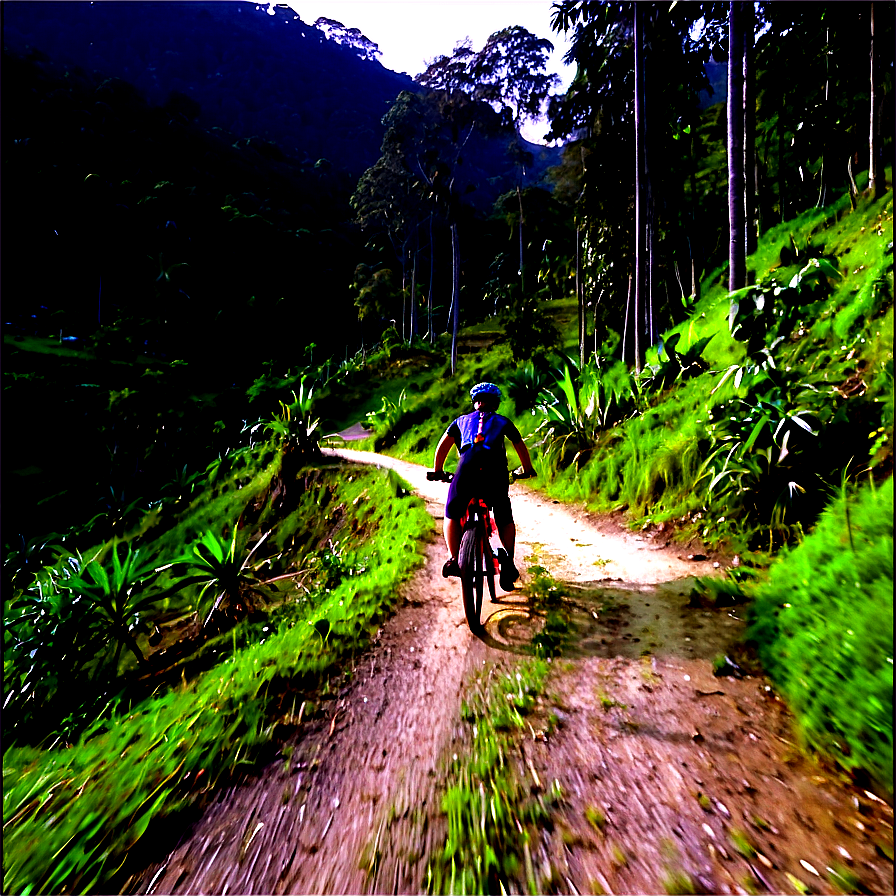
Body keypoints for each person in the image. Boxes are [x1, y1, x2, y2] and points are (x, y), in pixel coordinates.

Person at [431, 382, 535, 591]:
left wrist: (438, 470)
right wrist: (527, 469)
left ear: (474, 403)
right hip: (495, 470)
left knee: (452, 512)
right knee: (503, 514)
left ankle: (454, 559)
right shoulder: (502, 420)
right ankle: (508, 562)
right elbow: (519, 444)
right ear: (495, 404)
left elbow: (443, 445)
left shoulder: (460, 421)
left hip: (467, 466)